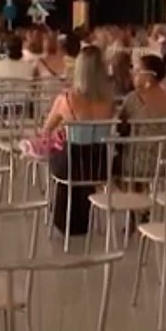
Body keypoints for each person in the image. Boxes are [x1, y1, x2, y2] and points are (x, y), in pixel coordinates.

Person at [42, 46, 116, 236]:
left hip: (70, 164)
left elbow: (46, 130)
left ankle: (60, 215)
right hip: (99, 164)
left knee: (57, 153)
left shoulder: (66, 99)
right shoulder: (109, 100)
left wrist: (63, 130)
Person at [118, 54, 166, 179]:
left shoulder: (134, 99)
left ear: (149, 76)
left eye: (137, 70)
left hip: (136, 165)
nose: (133, 74)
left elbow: (120, 128)